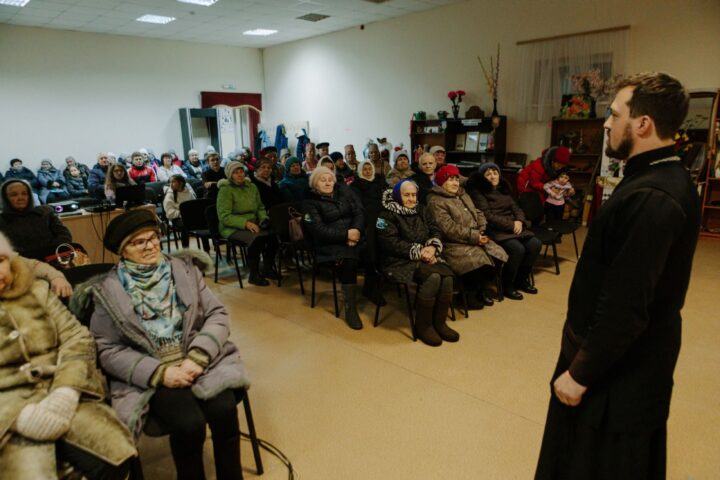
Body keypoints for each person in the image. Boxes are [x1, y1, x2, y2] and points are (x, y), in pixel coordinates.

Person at [535, 72, 701, 479]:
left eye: (614, 114)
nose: (607, 123)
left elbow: (626, 303)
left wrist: (580, 373)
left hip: (618, 373)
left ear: (643, 123)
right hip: (619, 359)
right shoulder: (657, 175)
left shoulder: (653, 197)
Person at [88, 209, 249, 480]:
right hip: (153, 369)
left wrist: (199, 355)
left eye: (153, 237)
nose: (150, 246)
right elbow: (107, 349)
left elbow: (217, 314)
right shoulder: (109, 291)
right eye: (139, 242)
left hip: (199, 357)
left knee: (224, 412)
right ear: (122, 250)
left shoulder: (184, 270)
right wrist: (159, 373)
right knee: (189, 424)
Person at [0, 232, 137, 480]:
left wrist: (66, 392)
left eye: (0, 261)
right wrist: (18, 416)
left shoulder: (37, 293)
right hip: (10, 420)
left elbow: (77, 337)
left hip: (63, 394)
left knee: (114, 458)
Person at [376, 180, 457, 346]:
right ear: (397, 195)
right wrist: (420, 252)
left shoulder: (422, 210)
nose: (411, 199)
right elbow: (390, 243)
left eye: (414, 195)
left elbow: (435, 229)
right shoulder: (386, 215)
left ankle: (439, 323)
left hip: (425, 255)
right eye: (406, 195)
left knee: (447, 278)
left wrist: (432, 248)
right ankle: (423, 326)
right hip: (397, 260)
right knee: (433, 277)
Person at [426, 165, 507, 310]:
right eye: (450, 179)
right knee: (477, 261)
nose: (455, 183)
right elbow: (449, 229)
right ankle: (469, 295)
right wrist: (475, 236)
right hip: (453, 244)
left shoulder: (463, 194)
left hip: (474, 237)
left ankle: (481, 289)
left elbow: (477, 212)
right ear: (441, 182)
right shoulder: (436, 201)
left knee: (498, 256)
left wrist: (481, 228)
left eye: (457, 179)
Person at [466, 163, 541, 300]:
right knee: (517, 249)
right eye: (488, 174)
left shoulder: (504, 189)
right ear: (482, 178)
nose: (493, 176)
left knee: (535, 244)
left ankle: (521, 280)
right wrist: (511, 225)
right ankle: (507, 285)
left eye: (495, 173)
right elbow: (487, 216)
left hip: (515, 227)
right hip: (496, 230)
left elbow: (516, 208)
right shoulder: (478, 192)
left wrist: (519, 221)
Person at [303, 166, 365, 329]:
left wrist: (356, 230)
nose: (328, 183)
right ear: (315, 184)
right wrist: (346, 235)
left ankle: (371, 289)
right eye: (323, 180)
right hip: (328, 244)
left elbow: (359, 211)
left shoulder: (343, 192)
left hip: (353, 235)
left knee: (374, 249)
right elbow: (318, 230)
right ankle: (351, 308)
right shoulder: (309, 203)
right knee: (349, 261)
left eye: (330, 179)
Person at [217, 161, 278, 286]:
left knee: (273, 237)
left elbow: (260, 207)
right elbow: (224, 216)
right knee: (257, 239)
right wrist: (245, 224)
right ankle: (254, 274)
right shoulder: (225, 190)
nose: (240, 174)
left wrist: (263, 219)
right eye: (236, 172)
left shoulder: (252, 187)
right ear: (230, 175)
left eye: (241, 171)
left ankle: (267, 268)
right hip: (232, 227)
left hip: (253, 223)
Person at [0, 179, 73, 260]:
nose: (20, 198)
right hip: (21, 264)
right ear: (5, 198)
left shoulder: (46, 212)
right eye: (14, 195)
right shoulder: (2, 220)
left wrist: (49, 254)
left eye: (24, 193)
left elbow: (64, 236)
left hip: (53, 259)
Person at [163, 175, 197, 248]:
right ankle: (186, 249)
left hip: (190, 216)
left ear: (181, 183)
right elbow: (169, 213)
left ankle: (207, 249)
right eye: (170, 182)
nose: (171, 184)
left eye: (173, 182)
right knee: (184, 225)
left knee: (203, 221)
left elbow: (194, 205)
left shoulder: (188, 192)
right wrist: (181, 213)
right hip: (176, 218)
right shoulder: (169, 195)